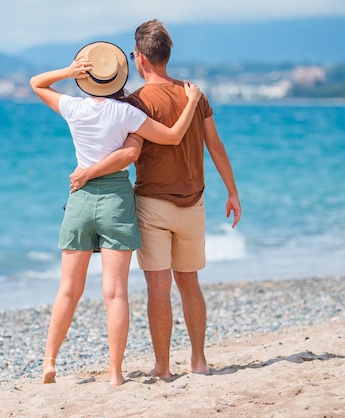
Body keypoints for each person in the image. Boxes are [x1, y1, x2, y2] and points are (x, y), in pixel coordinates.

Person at [69, 20, 242, 379]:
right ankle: (198, 361)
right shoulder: (195, 93)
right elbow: (217, 147)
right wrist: (233, 192)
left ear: (140, 59)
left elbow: (128, 152)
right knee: (190, 284)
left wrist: (88, 172)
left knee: (158, 288)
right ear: (166, 54)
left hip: (152, 205)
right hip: (194, 204)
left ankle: (162, 368)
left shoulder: (137, 101)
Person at [29, 41, 202, 386]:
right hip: (116, 200)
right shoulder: (128, 114)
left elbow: (36, 83)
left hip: (80, 198)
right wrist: (193, 101)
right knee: (116, 293)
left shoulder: (74, 108)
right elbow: (171, 136)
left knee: (68, 289)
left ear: (87, 79)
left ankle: (49, 360)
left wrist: (68, 71)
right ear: (120, 76)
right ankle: (114, 372)